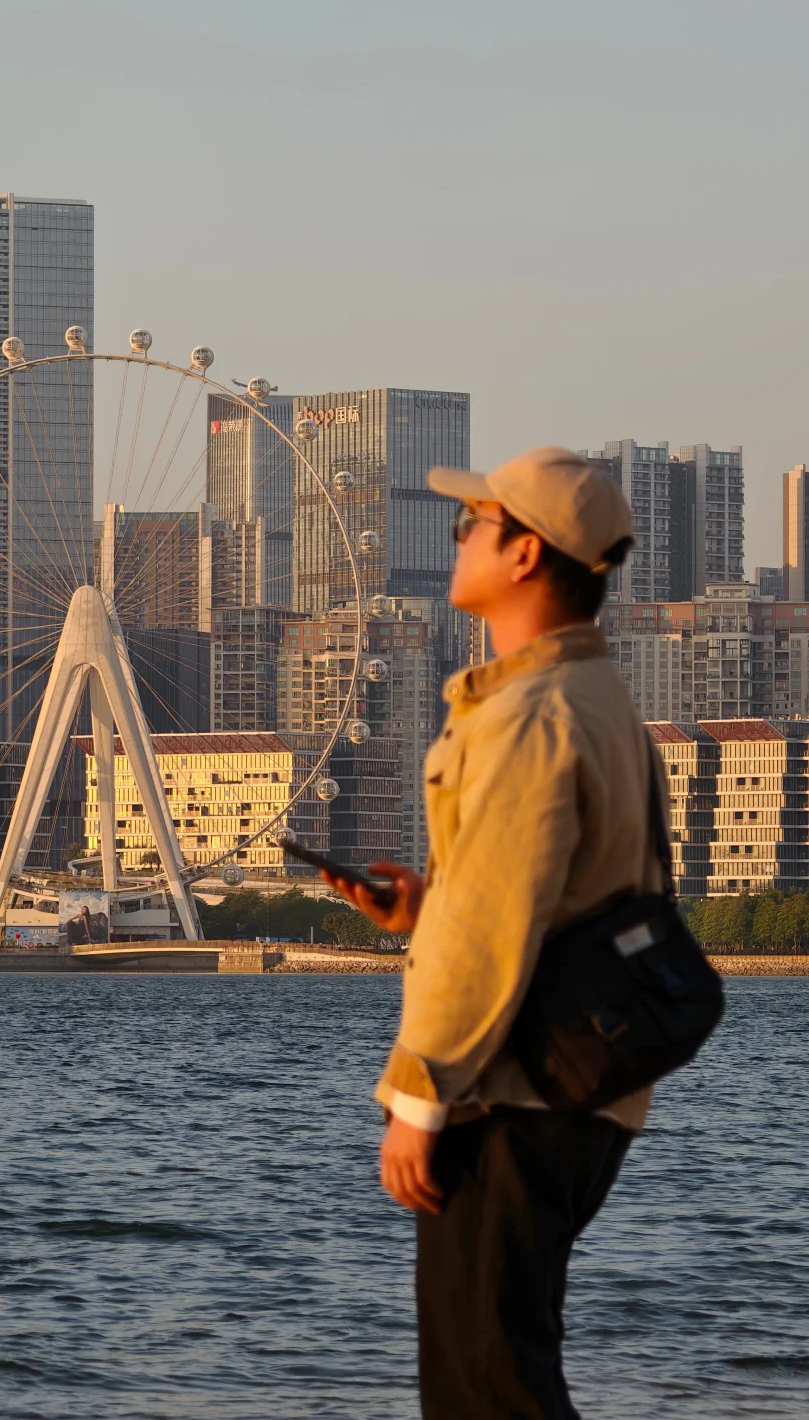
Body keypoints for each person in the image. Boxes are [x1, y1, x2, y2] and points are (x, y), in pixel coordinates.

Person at [326, 447, 659, 1420]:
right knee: (510, 1361)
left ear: (525, 557)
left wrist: (420, 1097)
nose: (457, 535)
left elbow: (492, 931)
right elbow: (573, 898)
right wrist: (430, 909)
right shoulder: (603, 708)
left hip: (510, 1091)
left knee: (486, 1384)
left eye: (475, 522)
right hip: (591, 1088)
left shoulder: (526, 713)